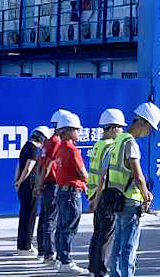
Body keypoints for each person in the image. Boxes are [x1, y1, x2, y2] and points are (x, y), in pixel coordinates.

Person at [105, 102, 160, 277]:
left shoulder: (118, 140)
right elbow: (138, 176)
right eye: (150, 127)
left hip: (118, 199)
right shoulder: (131, 143)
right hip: (130, 200)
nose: (150, 132)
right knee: (129, 246)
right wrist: (146, 195)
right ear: (142, 122)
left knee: (118, 244)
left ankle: (115, 274)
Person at [47, 111, 89, 276]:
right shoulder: (71, 149)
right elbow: (82, 172)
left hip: (62, 192)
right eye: (76, 129)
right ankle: (66, 261)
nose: (78, 132)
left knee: (61, 227)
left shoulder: (60, 148)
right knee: (69, 228)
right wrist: (92, 186)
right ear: (69, 131)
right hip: (71, 194)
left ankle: (60, 258)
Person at [87, 108, 127, 277]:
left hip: (95, 194)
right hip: (105, 196)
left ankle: (93, 267)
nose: (122, 131)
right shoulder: (111, 147)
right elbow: (104, 174)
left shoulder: (98, 145)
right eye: (120, 127)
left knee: (98, 233)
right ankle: (101, 271)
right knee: (106, 236)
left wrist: (93, 198)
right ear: (112, 127)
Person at [38, 110, 69, 264]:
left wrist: (39, 183)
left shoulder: (48, 142)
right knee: (51, 219)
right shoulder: (57, 142)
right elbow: (48, 165)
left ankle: (43, 250)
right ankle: (49, 253)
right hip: (53, 184)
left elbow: (41, 164)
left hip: (46, 183)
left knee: (45, 218)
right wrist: (41, 182)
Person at [15, 126, 51, 255]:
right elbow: (28, 168)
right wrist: (20, 181)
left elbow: (19, 166)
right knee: (30, 216)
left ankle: (22, 245)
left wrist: (17, 181)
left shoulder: (26, 147)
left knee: (24, 214)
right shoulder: (34, 150)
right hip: (30, 186)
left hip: (23, 186)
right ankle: (25, 247)